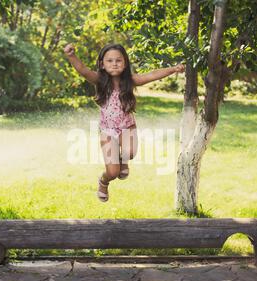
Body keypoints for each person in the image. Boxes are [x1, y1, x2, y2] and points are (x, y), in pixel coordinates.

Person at [64, 43, 184, 202]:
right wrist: (71, 56)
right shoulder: (99, 80)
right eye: (110, 61)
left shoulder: (131, 81)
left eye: (118, 60)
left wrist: (173, 69)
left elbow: (152, 75)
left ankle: (123, 161)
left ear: (125, 63)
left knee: (130, 153)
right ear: (102, 64)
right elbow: (83, 70)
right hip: (108, 131)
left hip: (128, 127)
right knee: (113, 173)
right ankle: (103, 181)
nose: (114, 64)